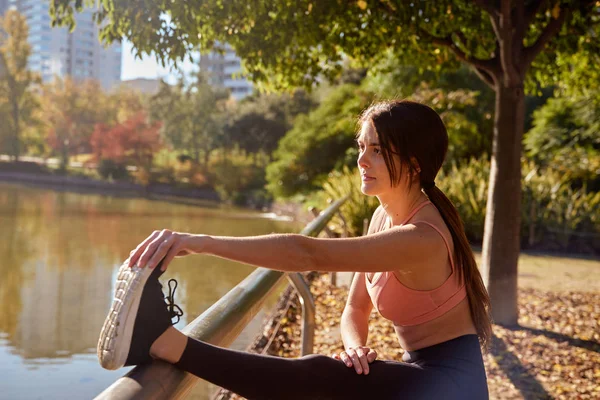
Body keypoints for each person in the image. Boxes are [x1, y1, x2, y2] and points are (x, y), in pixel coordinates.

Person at [97, 100, 491, 400]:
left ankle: (165, 343)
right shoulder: (382, 217)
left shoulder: (421, 238)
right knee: (332, 374)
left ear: (414, 163)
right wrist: (355, 349)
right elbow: (355, 308)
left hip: (453, 386)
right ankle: (162, 340)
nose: (361, 159)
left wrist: (199, 243)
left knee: (319, 376)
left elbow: (307, 255)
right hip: (422, 374)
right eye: (361, 146)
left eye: (376, 150)